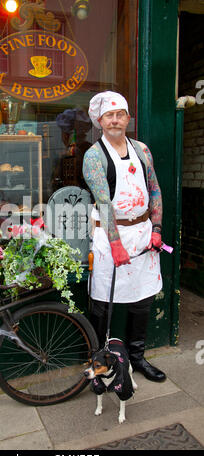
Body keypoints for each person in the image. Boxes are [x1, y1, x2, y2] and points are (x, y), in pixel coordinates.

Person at [83, 91, 166, 382]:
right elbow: (104, 204)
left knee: (142, 298)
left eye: (120, 114)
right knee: (103, 301)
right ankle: (96, 360)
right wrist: (116, 246)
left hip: (142, 233)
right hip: (110, 236)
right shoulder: (94, 156)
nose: (115, 120)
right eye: (109, 115)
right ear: (100, 120)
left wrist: (156, 229)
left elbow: (154, 189)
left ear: (128, 118)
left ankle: (138, 357)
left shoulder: (142, 150)